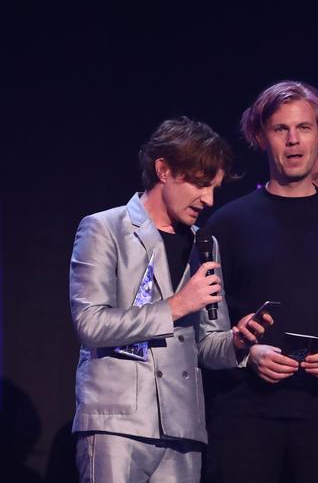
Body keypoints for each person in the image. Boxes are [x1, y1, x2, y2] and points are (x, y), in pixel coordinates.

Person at [69, 116, 267, 482]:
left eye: (214, 189)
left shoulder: (206, 244)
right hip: (118, 422)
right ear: (164, 169)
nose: (208, 199)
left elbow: (207, 343)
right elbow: (90, 324)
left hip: (183, 429)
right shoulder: (104, 228)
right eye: (201, 185)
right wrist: (178, 305)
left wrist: (237, 342)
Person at [203, 80, 318, 483]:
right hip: (244, 414)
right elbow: (204, 323)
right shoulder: (228, 224)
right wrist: (248, 356)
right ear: (261, 137)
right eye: (281, 129)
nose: (294, 140)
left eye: (304, 128)